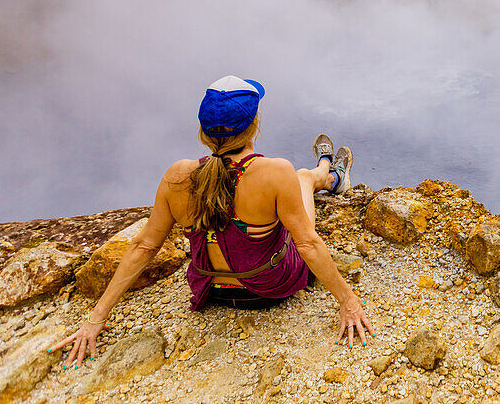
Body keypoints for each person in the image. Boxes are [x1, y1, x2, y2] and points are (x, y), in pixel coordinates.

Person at [52, 75, 374, 367]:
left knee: (294, 186)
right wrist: (348, 303)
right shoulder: (276, 173)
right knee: (302, 179)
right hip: (268, 288)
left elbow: (144, 246)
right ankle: (329, 175)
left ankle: (328, 170)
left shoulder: (178, 175)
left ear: (203, 132)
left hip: (211, 291)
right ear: (254, 125)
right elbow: (307, 243)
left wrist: (95, 320)